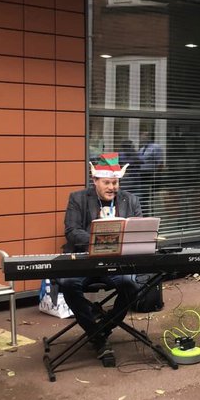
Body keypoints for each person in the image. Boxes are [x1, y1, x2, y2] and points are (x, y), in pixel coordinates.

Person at [57, 153, 143, 359]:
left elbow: (138, 229)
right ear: (95, 180)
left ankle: (102, 328)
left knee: (132, 285)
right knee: (68, 284)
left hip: (116, 261)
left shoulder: (130, 200)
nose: (112, 187)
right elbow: (72, 231)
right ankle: (97, 336)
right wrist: (101, 240)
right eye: (107, 183)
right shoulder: (77, 198)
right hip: (84, 259)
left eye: (115, 183)